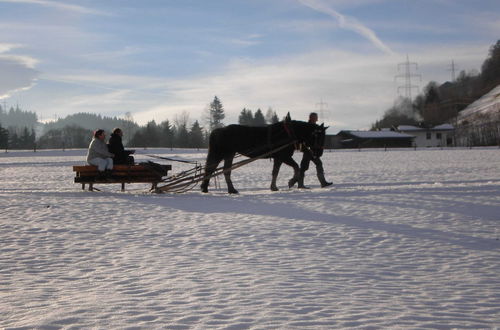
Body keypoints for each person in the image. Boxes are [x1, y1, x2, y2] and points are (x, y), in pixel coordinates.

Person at [292, 112, 332, 189]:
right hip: (308, 150)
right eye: (315, 117)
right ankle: (301, 184)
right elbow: (303, 140)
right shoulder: (306, 127)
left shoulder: (317, 127)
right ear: (311, 118)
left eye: (316, 117)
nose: (317, 118)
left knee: (312, 165)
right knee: (306, 166)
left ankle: (322, 182)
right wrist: (307, 149)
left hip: (314, 150)